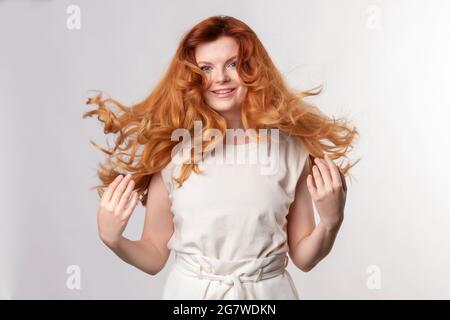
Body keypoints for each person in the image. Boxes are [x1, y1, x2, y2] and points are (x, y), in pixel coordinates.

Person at [83, 15, 359, 299]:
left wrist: (330, 221)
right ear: (192, 77)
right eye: (205, 68)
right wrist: (113, 240)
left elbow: (303, 256)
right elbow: (154, 254)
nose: (221, 78)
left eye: (233, 64)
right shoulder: (174, 151)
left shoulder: (291, 150)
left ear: (254, 69)